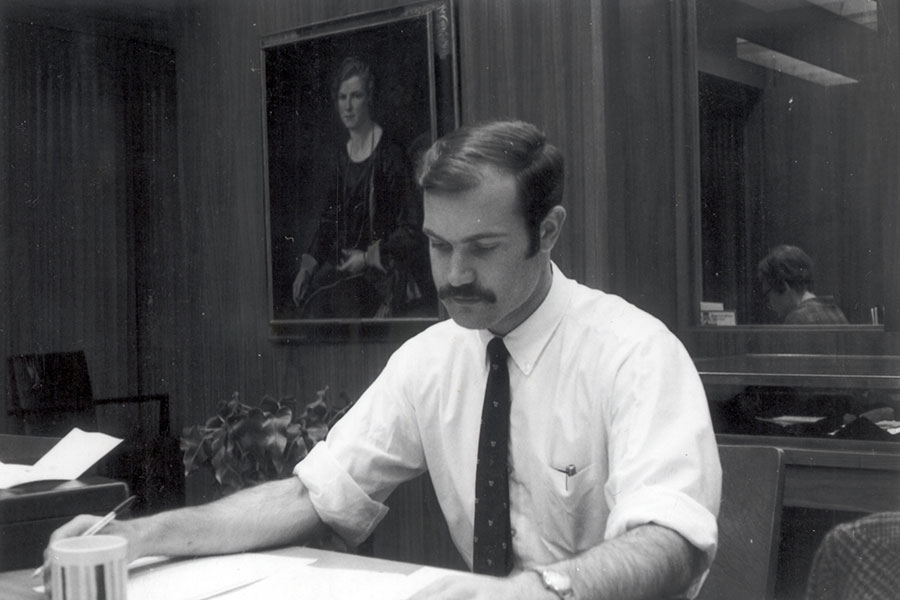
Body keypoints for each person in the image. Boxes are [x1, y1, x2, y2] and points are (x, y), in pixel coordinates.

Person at [51, 120, 721, 600]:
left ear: (547, 232)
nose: (453, 275)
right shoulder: (429, 361)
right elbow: (313, 494)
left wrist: (540, 592)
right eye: (437, 244)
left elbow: (673, 538)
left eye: (482, 247)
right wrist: (139, 538)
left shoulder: (633, 353)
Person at [292, 56, 432, 318]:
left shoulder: (390, 155)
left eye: (355, 96)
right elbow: (328, 221)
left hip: (384, 273)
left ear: (369, 98)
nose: (348, 106)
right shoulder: (341, 159)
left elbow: (412, 229)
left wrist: (368, 257)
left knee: (340, 306)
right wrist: (306, 268)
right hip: (346, 269)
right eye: (342, 97)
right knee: (309, 308)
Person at [757, 244, 849, 325]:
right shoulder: (836, 312)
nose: (769, 303)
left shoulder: (796, 319)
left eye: (768, 293)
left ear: (784, 287)